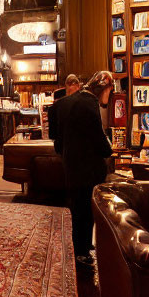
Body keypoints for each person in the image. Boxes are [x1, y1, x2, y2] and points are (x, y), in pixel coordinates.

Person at [53, 71, 114, 267]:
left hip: (71, 165)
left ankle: (83, 246)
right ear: (103, 88)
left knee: (78, 208)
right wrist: (108, 149)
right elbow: (99, 139)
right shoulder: (90, 103)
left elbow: (58, 137)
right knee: (85, 211)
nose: (109, 95)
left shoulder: (67, 102)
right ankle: (81, 252)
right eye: (109, 90)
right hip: (87, 168)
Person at [49, 73, 81, 149]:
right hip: (78, 149)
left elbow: (52, 135)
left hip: (63, 148)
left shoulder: (54, 108)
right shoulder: (85, 105)